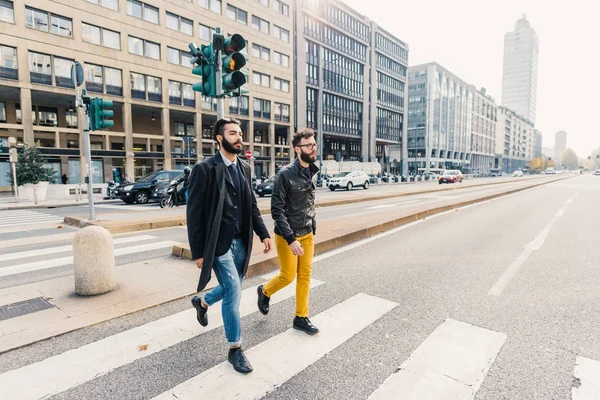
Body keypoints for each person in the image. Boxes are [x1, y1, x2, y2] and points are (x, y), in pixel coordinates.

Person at [187, 117, 272, 374]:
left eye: (240, 133)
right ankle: (235, 349)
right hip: (219, 245)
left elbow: (251, 205)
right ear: (219, 138)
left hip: (240, 241)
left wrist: (263, 233)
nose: (238, 137)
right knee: (234, 291)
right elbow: (194, 213)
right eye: (232, 133)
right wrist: (199, 251)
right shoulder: (204, 170)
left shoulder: (244, 167)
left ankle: (202, 302)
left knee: (229, 286)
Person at [257, 128, 320, 335]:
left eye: (314, 144)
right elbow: (277, 210)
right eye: (309, 145)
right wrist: (291, 238)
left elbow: (309, 202)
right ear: (297, 149)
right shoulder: (284, 175)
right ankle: (265, 291)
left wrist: (313, 225)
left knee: (305, 276)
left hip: (307, 232)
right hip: (287, 236)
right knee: (287, 276)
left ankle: (301, 317)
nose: (313, 148)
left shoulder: (311, 170)